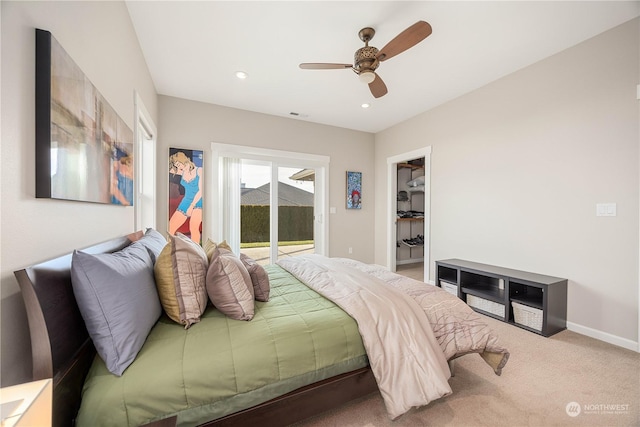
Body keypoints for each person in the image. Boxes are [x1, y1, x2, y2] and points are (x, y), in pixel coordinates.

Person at [169, 151, 203, 243]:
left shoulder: (199, 170)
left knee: (194, 227)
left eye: (179, 163)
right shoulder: (181, 172)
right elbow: (166, 168)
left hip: (198, 201)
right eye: (176, 165)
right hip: (186, 201)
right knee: (171, 227)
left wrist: (191, 207)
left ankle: (196, 252)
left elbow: (201, 191)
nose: (178, 166)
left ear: (184, 160)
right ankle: (169, 251)